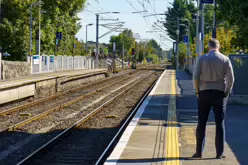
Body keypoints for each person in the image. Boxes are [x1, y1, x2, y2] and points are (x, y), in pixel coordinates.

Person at [192, 38, 235, 159]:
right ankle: (219, 153)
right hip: (219, 94)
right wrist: (227, 92)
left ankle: (198, 152)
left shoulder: (202, 58)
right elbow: (231, 79)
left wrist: (197, 90)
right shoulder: (225, 59)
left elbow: (195, 76)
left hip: (204, 93)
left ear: (208, 47)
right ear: (219, 46)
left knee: (201, 122)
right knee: (219, 123)